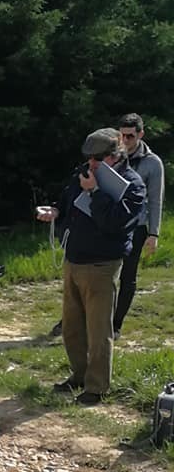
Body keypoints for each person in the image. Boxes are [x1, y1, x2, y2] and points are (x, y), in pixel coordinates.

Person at [38, 128, 145, 405]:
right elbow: (67, 201)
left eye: (98, 159)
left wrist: (96, 191)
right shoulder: (84, 172)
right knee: (72, 327)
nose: (92, 164)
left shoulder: (132, 185)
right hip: (74, 259)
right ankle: (79, 375)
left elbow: (114, 223)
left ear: (115, 156)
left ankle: (97, 388)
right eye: (89, 158)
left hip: (102, 264)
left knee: (98, 330)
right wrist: (55, 211)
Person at [113, 113, 164, 336]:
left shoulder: (153, 163)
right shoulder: (112, 155)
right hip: (112, 221)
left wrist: (154, 233)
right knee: (100, 273)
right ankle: (79, 320)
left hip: (138, 225)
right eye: (122, 135)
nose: (125, 140)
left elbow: (155, 200)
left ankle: (115, 325)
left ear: (140, 134)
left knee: (128, 275)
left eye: (130, 136)